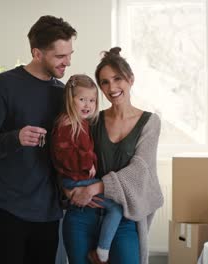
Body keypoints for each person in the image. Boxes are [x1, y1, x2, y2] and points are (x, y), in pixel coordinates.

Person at [0, 15, 77, 264]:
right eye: (60, 57)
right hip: (9, 210)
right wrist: (16, 138)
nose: (68, 62)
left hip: (49, 212)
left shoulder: (62, 93)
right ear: (37, 53)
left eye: (70, 54)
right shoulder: (3, 85)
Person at [62, 47, 164, 264]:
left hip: (124, 216)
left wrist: (95, 188)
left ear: (130, 79)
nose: (112, 87)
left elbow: (140, 170)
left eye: (117, 79)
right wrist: (68, 189)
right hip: (83, 213)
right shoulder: (92, 120)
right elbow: (68, 158)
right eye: (105, 82)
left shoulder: (150, 122)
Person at [51, 74, 124, 264]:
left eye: (92, 100)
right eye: (82, 99)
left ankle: (102, 249)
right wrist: (89, 163)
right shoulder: (69, 125)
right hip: (77, 180)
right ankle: (102, 251)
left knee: (113, 208)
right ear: (70, 99)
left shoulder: (81, 123)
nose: (87, 105)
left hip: (77, 179)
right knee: (116, 209)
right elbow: (66, 157)